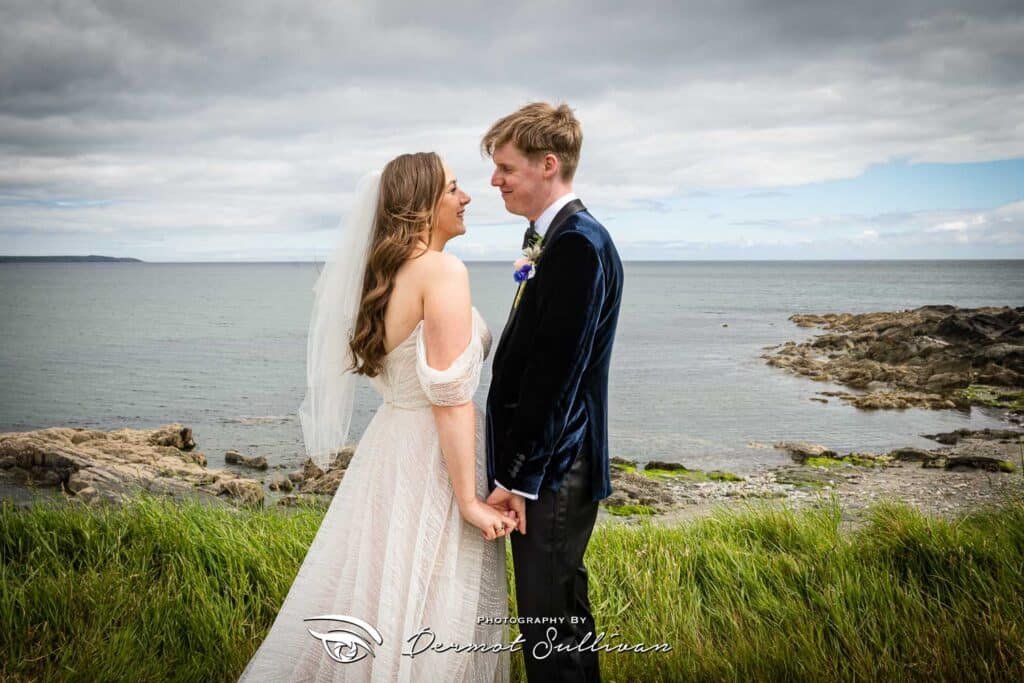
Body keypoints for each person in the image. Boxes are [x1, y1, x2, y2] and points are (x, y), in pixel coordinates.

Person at [238, 152, 514, 682]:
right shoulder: (442, 271)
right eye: (453, 188)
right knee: (432, 595)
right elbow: (451, 400)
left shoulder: (384, 276)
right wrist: (468, 502)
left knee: (380, 586)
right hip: (434, 457)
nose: (467, 196)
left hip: (388, 449)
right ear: (421, 205)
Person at [482, 102, 624, 682]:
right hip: (553, 467)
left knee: (552, 632)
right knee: (558, 618)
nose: (494, 180)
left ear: (547, 165)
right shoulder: (555, 237)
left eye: (505, 168)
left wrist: (519, 478)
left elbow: (556, 374)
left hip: (556, 470)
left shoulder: (576, 245)